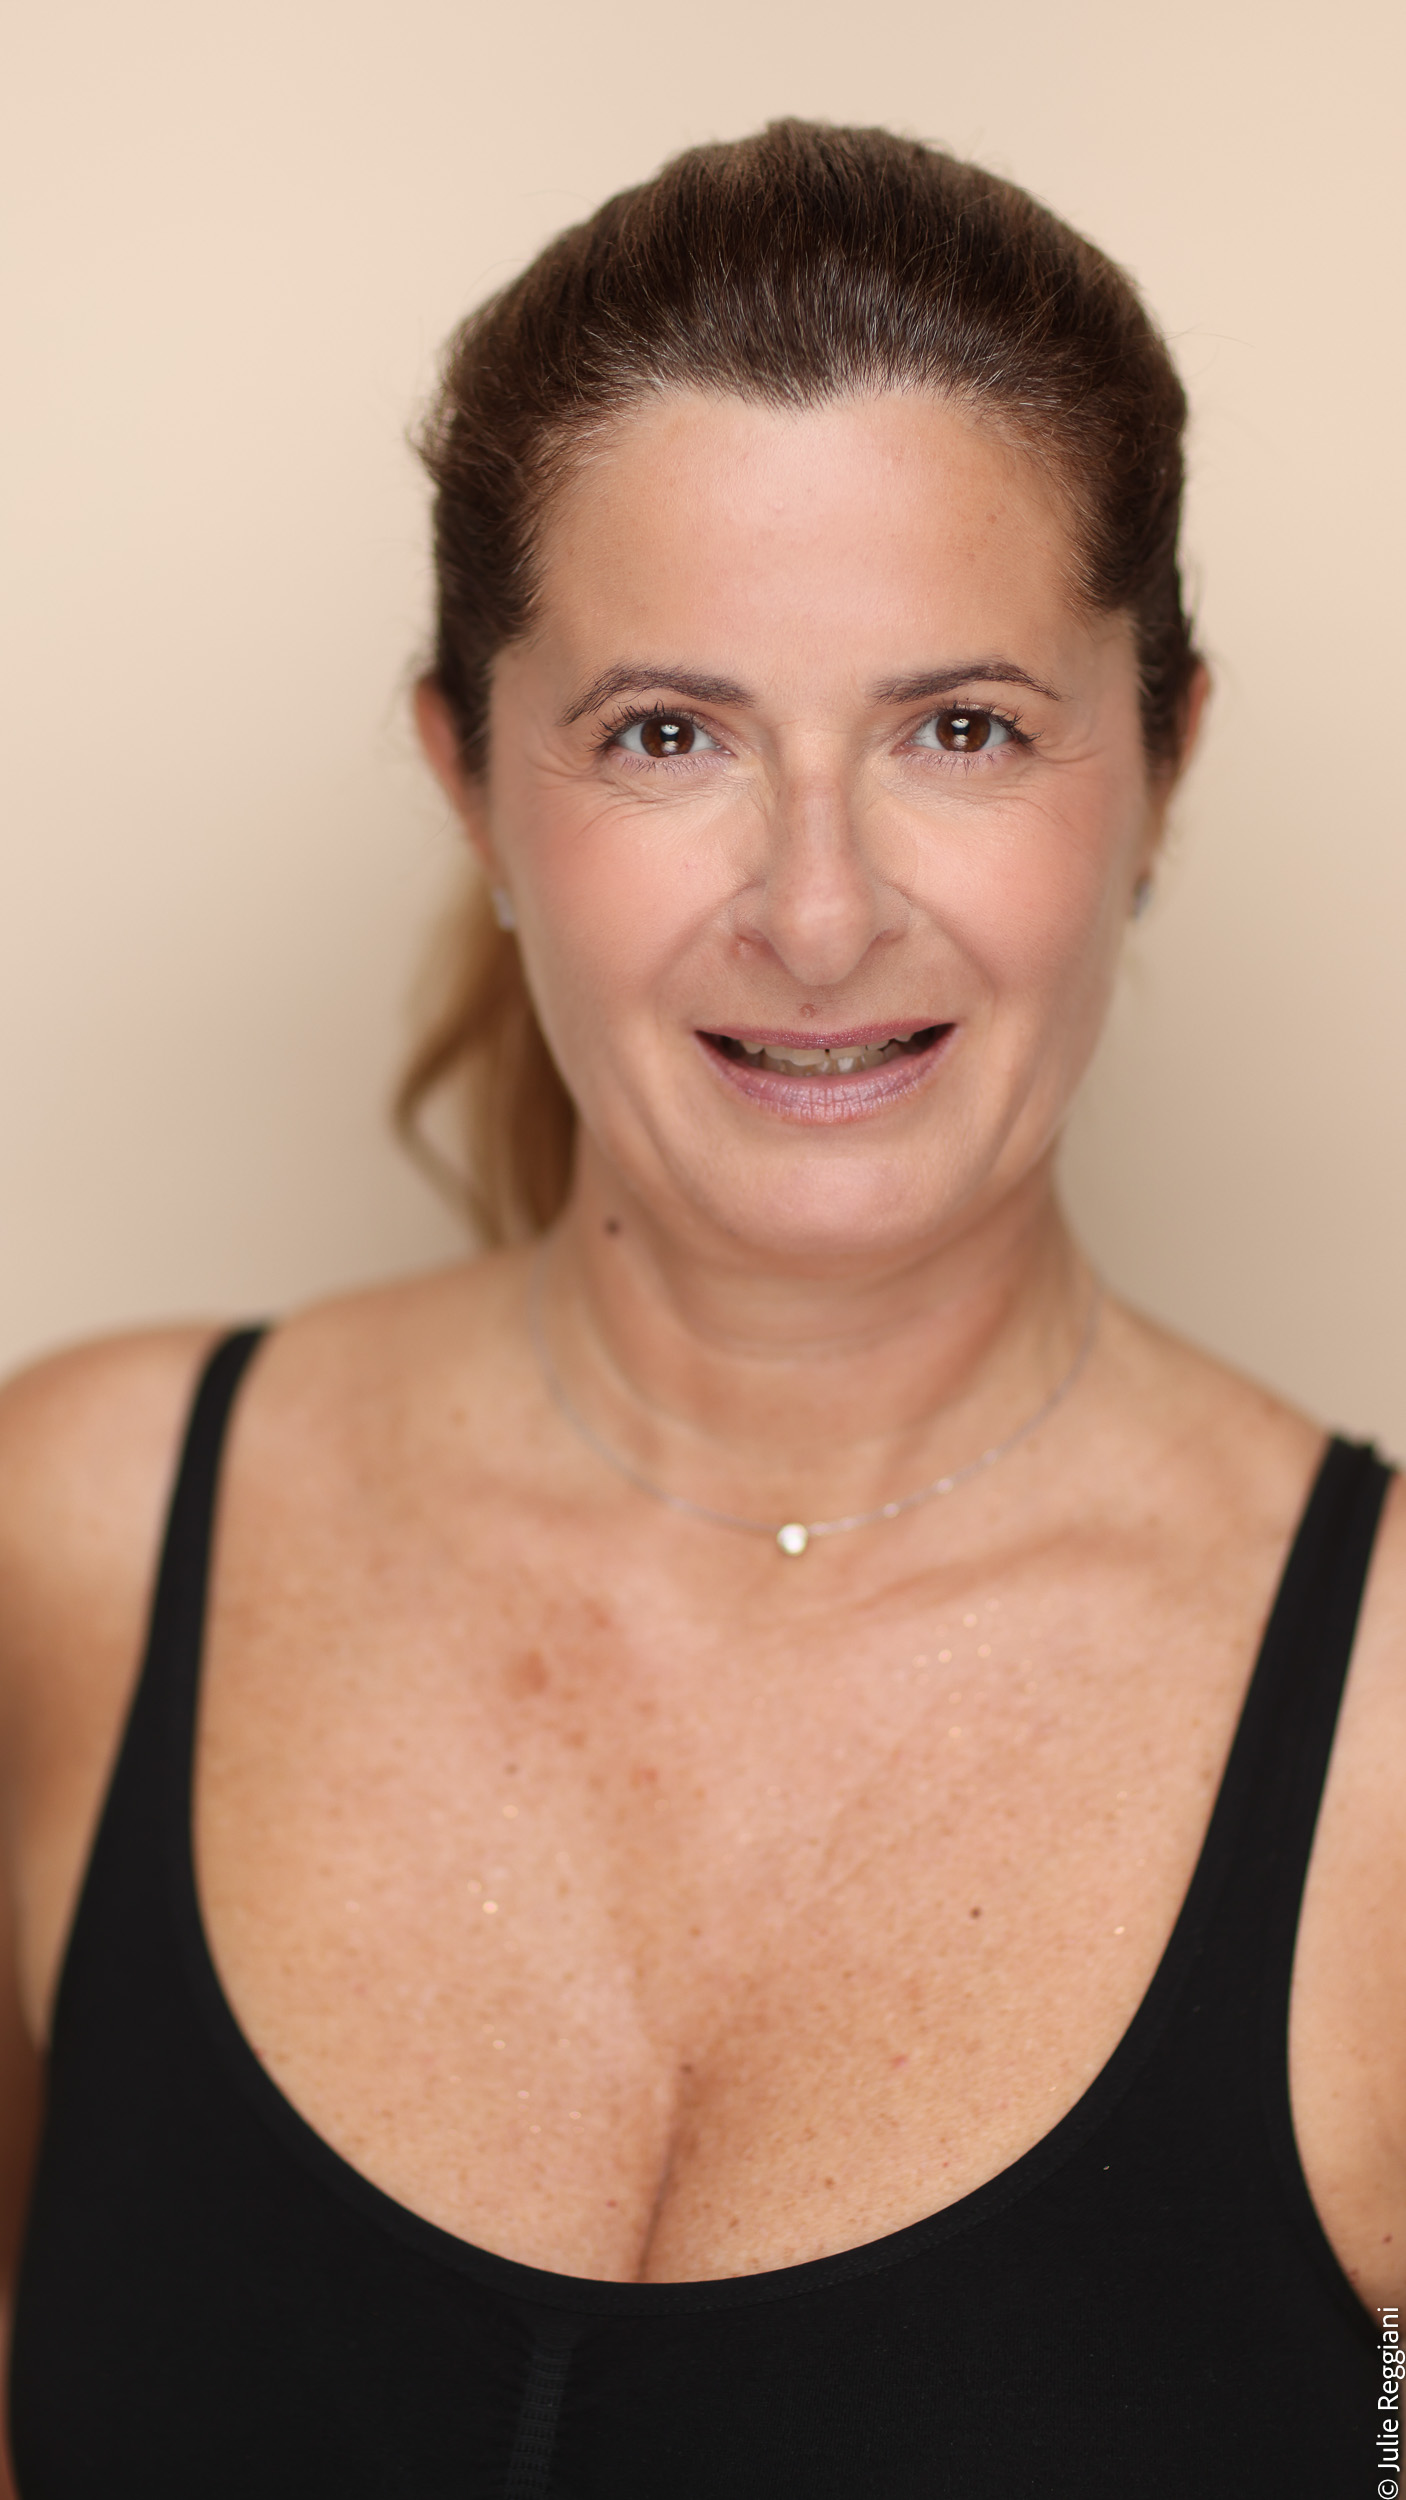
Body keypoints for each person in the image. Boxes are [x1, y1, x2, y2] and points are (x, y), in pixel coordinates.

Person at [0, 120, 1399, 2497]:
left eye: (961, 726)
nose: (819, 912)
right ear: (470, 778)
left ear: (1160, 763)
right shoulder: (84, 1545)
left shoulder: (1386, 1744)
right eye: (667, 732)